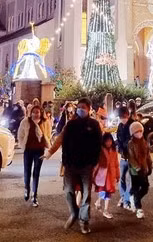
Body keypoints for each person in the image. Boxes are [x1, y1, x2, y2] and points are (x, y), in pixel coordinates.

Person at [44, 97, 102, 235]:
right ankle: (74, 212)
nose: (81, 109)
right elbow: (60, 138)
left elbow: (98, 144)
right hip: (70, 164)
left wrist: (94, 162)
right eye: (79, 107)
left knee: (86, 194)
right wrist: (50, 152)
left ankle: (84, 221)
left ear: (89, 109)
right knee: (68, 191)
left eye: (84, 107)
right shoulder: (71, 124)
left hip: (86, 165)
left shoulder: (93, 125)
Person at [18, 104, 51, 207]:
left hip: (39, 151)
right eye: (34, 112)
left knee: (36, 173)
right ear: (30, 113)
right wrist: (23, 144)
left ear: (41, 113)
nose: (36, 114)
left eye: (37, 112)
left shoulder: (45, 122)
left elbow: (48, 134)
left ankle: (34, 196)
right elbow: (20, 135)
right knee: (27, 171)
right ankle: (27, 188)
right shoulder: (25, 122)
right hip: (28, 150)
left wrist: (46, 145)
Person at [126, 121, 152, 219]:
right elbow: (131, 158)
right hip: (135, 170)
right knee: (136, 188)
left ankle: (133, 198)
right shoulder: (131, 144)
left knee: (145, 187)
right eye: (137, 131)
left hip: (144, 168)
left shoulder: (144, 142)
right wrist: (137, 167)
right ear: (133, 133)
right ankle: (139, 209)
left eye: (141, 131)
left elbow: (148, 156)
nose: (139, 133)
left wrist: (150, 166)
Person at [93, 132, 121, 219]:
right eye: (107, 141)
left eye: (110, 141)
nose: (109, 143)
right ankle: (106, 210)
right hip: (103, 175)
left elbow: (116, 164)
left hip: (111, 175)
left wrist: (117, 175)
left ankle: (98, 203)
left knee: (106, 191)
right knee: (107, 192)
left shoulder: (113, 151)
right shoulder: (100, 151)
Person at [116, 107, 134, 210]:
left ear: (128, 114)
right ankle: (123, 197)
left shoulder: (133, 125)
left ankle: (126, 200)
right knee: (121, 179)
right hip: (123, 157)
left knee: (130, 180)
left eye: (123, 116)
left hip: (131, 158)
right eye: (121, 117)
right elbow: (118, 139)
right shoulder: (120, 126)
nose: (122, 118)